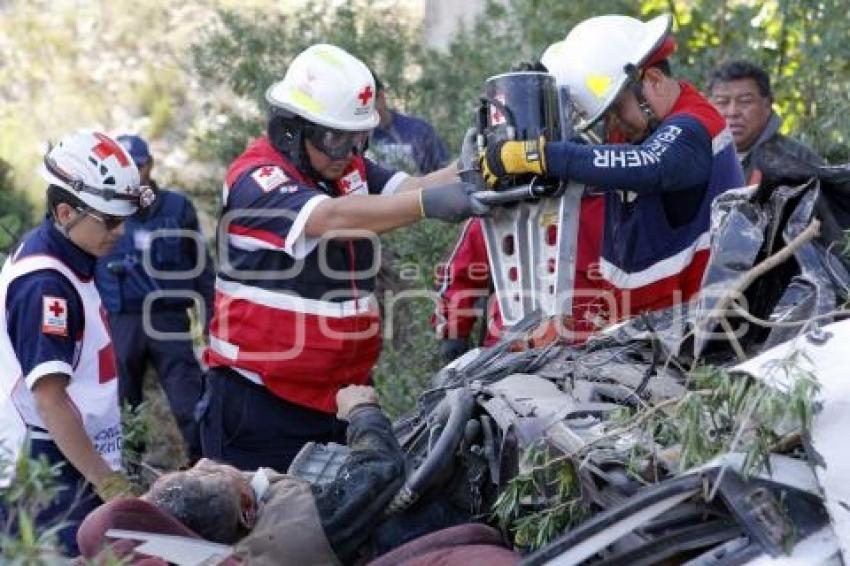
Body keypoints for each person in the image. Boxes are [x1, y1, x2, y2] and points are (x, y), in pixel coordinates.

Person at [202, 43, 487, 473]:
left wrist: (475, 163)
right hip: (260, 405)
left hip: (337, 399)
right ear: (290, 130)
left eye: (358, 139)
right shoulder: (256, 179)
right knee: (263, 532)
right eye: (336, 138)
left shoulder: (343, 166)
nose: (348, 153)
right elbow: (330, 217)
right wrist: (430, 203)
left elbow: (414, 187)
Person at [480, 14, 745, 318]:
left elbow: (648, 165)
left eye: (616, 110)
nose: (614, 125)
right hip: (647, 329)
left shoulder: (693, 126)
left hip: (695, 327)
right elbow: (594, 160)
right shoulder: (644, 130)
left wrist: (538, 155)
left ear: (654, 81)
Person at [0, 130, 152, 555]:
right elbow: (50, 400)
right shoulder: (45, 285)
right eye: (111, 220)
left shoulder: (71, 256)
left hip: (71, 459)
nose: (120, 232)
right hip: (48, 468)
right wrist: (112, 485)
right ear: (65, 212)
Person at [146, 385, 403, 565]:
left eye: (186, 471)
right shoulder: (301, 525)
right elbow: (379, 470)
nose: (202, 460)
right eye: (209, 472)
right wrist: (363, 412)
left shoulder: (188, 548)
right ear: (247, 508)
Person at [95, 134, 214, 461]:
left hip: (169, 321)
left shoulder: (177, 208)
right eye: (126, 167)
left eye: (139, 165)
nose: (134, 173)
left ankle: (204, 468)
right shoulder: (100, 210)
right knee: (121, 406)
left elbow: (202, 267)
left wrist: (211, 320)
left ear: (150, 165)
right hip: (121, 322)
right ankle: (128, 471)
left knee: (189, 401)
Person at [707, 59, 824, 185]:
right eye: (722, 102)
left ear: (767, 105)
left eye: (745, 101)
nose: (733, 112)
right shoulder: (693, 158)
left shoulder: (800, 161)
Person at [368, 71, 449, 175]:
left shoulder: (419, 131)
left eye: (370, 105)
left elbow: (442, 172)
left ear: (381, 96)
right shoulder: (354, 140)